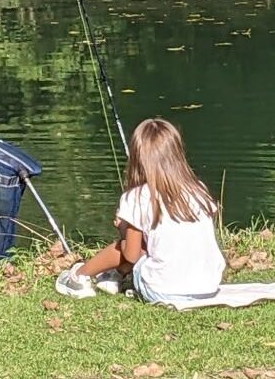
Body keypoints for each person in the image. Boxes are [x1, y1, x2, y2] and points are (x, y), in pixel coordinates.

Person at [54, 117, 225, 304]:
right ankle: (113, 276)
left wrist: (123, 228)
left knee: (130, 244)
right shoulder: (198, 189)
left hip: (164, 291)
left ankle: (78, 276)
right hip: (209, 286)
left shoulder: (136, 197)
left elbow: (131, 254)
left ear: (138, 158)